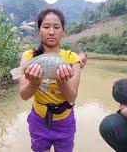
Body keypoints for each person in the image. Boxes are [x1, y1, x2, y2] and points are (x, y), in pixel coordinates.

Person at [19, 8, 81, 152]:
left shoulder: (72, 59)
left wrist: (62, 81)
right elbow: (24, 95)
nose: (51, 32)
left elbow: (72, 97)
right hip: (38, 120)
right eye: (46, 27)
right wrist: (35, 83)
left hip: (65, 121)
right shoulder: (29, 56)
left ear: (63, 32)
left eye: (57, 27)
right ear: (39, 30)